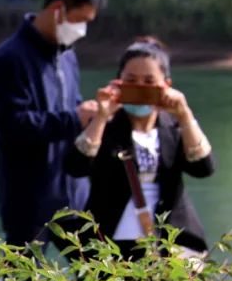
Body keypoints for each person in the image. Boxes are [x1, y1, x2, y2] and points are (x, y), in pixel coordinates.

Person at [0, 0, 106, 250]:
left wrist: (92, 116)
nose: (82, 30)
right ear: (58, 9)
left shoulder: (68, 55)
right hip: (28, 201)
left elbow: (74, 112)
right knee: (22, 277)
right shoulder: (10, 58)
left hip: (74, 198)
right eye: (80, 20)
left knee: (99, 273)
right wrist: (74, 118)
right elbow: (12, 125)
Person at [65, 38, 214, 259]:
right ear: (118, 83)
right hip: (110, 246)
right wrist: (102, 116)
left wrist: (185, 114)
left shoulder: (174, 127)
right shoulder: (105, 127)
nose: (140, 88)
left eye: (149, 81)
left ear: (166, 85)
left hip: (171, 245)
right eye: (131, 81)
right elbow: (75, 166)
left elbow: (204, 168)